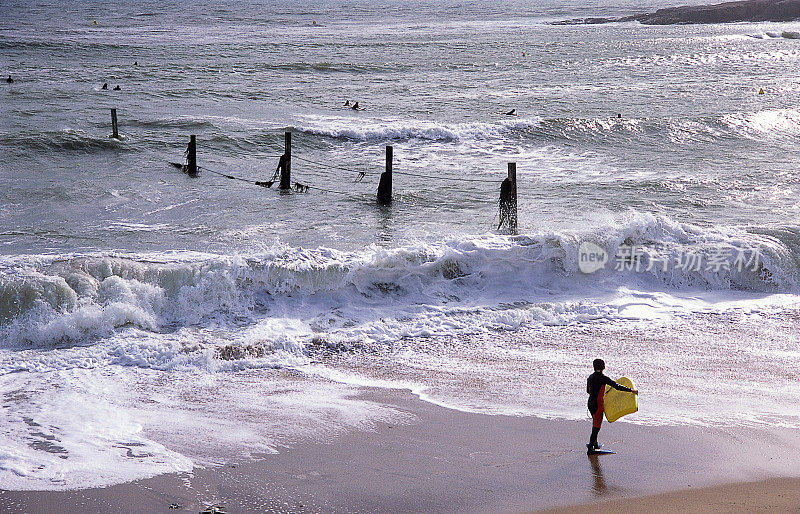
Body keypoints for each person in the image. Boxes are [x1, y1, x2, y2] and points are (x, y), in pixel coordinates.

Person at [587, 358, 637, 451]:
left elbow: (588, 391)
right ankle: (590, 447)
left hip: (590, 403)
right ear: (604, 367)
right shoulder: (603, 378)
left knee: (595, 424)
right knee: (597, 426)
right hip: (598, 405)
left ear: (594, 367)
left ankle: (595, 444)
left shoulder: (590, 377)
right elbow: (617, 386)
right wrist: (630, 390)